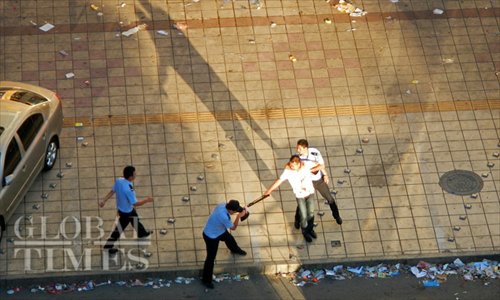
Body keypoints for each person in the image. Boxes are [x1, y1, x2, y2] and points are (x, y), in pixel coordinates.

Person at [263, 155, 319, 242]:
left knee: (311, 213)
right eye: (291, 165)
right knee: (304, 216)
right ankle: (305, 232)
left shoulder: (306, 165)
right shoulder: (288, 172)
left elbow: (320, 165)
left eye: (293, 165)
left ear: (299, 164)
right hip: (300, 196)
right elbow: (279, 181)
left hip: (310, 193)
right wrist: (269, 190)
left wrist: (322, 173)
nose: (291, 167)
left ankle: (310, 229)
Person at [99, 165, 153, 254]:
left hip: (123, 210)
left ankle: (141, 233)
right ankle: (108, 247)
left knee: (135, 219)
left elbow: (112, 191)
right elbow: (135, 203)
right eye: (135, 173)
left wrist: (104, 200)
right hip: (126, 213)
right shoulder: (128, 189)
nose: (136, 174)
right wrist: (147, 200)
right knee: (118, 230)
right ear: (131, 177)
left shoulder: (119, 181)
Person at [295, 139, 342, 227]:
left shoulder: (314, 153)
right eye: (297, 148)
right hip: (307, 182)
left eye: (299, 149)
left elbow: (322, 165)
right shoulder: (298, 159)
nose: (298, 150)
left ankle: (337, 217)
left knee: (330, 199)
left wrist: (325, 174)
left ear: (305, 148)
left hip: (318, 181)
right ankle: (297, 220)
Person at [202, 200, 248, 289]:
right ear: (230, 210)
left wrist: (242, 210)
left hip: (220, 231)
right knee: (210, 259)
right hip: (211, 237)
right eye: (234, 212)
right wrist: (239, 216)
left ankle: (235, 250)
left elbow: (235, 208)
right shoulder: (223, 216)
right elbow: (233, 228)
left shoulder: (223, 204)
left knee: (230, 239)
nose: (235, 213)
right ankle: (206, 280)